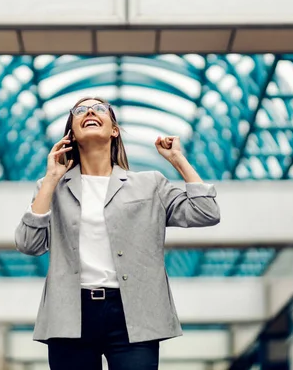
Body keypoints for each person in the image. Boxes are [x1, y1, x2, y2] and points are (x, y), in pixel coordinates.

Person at [15, 97, 221, 370]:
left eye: (99, 108)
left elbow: (207, 211)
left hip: (132, 313)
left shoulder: (149, 184)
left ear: (114, 130)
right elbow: (29, 243)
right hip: (69, 314)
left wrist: (177, 160)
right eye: (80, 110)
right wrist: (51, 178)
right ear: (72, 134)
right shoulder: (52, 186)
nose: (89, 111)